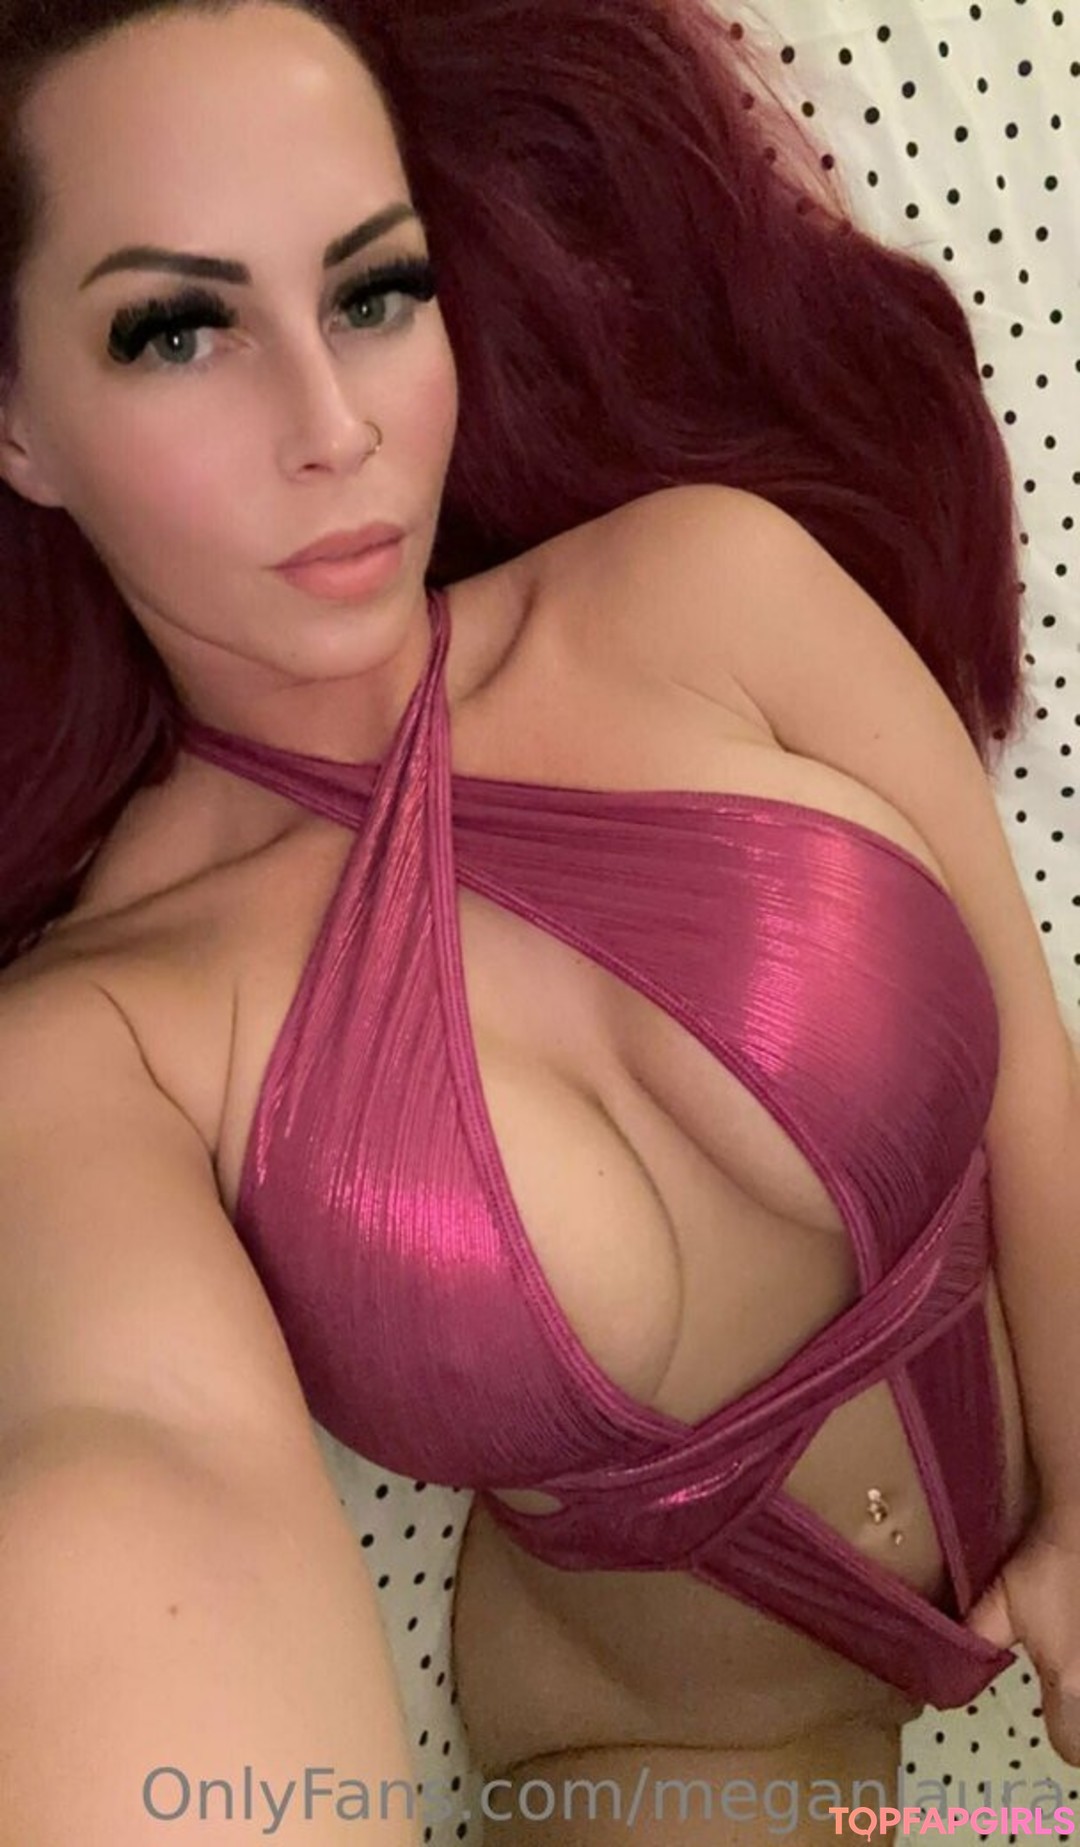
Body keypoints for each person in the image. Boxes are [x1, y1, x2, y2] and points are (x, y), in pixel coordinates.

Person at [0, 0, 1077, 1841]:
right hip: (679, 1754)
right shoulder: (96, 1046)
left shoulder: (714, 585)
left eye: (374, 292)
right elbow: (132, 1479)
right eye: (177, 330)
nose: (333, 426)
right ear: (21, 423)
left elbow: (1035, 1077)